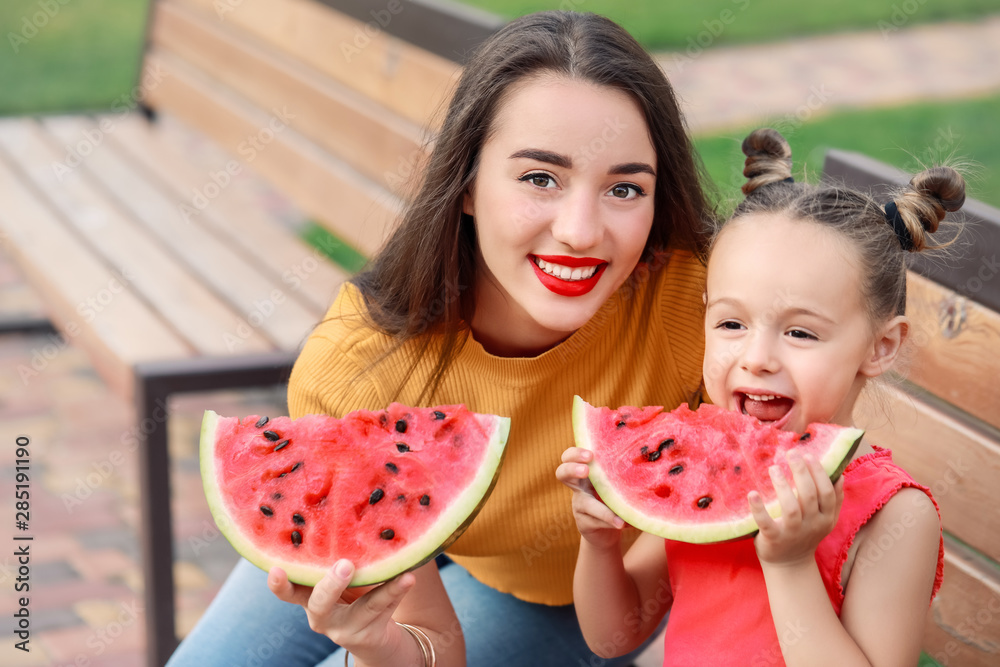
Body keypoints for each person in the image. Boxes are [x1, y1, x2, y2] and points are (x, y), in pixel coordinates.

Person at [168, 10, 716, 667]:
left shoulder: (703, 306)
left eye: (625, 188)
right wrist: (373, 642)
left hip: (563, 597)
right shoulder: (357, 366)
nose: (579, 230)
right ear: (467, 185)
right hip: (426, 537)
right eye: (540, 178)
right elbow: (431, 646)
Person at [558, 127, 956, 666]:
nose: (757, 357)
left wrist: (790, 566)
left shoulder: (896, 515)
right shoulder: (701, 466)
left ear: (881, 346)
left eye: (800, 333)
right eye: (730, 323)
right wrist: (600, 544)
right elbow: (613, 638)